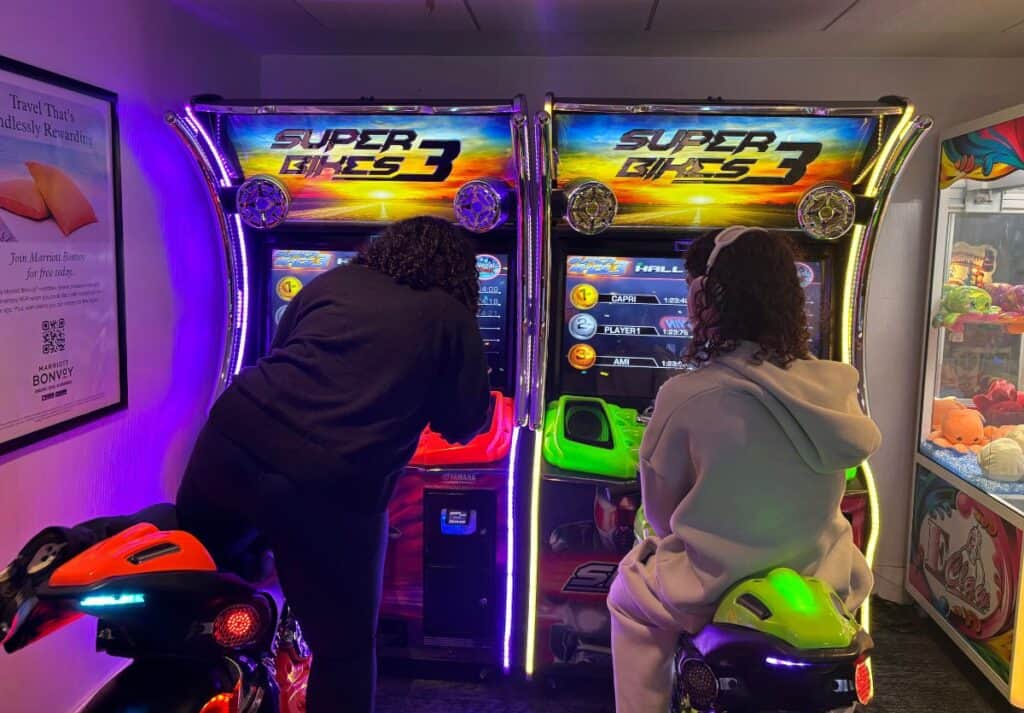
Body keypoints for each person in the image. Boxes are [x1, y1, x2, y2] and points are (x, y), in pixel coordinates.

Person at [1, 216, 491, 713]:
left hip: (236, 433)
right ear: (457, 269)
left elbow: (286, 354)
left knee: (199, 536)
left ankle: (69, 547)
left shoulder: (335, 281)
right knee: (345, 650)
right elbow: (464, 423)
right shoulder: (451, 317)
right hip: (330, 483)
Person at [607, 226, 880, 713]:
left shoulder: (687, 395)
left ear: (706, 299)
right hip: (822, 577)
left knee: (629, 598)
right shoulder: (836, 390)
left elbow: (661, 512)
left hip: (711, 586)